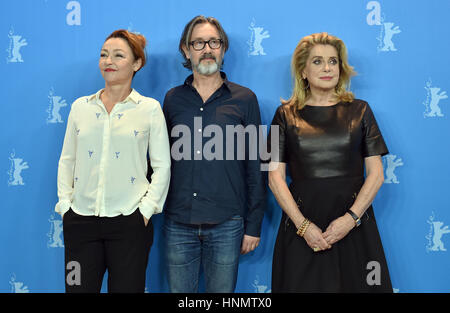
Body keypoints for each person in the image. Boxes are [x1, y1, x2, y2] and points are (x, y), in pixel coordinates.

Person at [268, 32, 392, 292]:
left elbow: (376, 174)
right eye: (317, 62)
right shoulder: (283, 115)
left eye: (333, 61)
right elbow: (274, 177)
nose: (327, 68)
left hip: (355, 227)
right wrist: (304, 227)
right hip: (302, 229)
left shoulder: (361, 110)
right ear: (303, 71)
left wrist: (350, 219)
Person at [55, 29, 171, 293]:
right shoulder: (80, 107)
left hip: (129, 223)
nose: (109, 61)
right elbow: (67, 160)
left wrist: (145, 211)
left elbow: (162, 166)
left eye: (119, 55)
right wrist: (66, 206)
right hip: (81, 223)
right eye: (104, 54)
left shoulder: (149, 109)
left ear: (137, 63)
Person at [162, 15, 266, 293]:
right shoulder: (172, 99)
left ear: (223, 48)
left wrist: (253, 224)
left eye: (214, 42)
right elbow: (160, 161)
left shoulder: (246, 99)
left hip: (227, 224)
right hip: (178, 223)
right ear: (186, 50)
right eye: (198, 43)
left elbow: (256, 165)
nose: (207, 48)